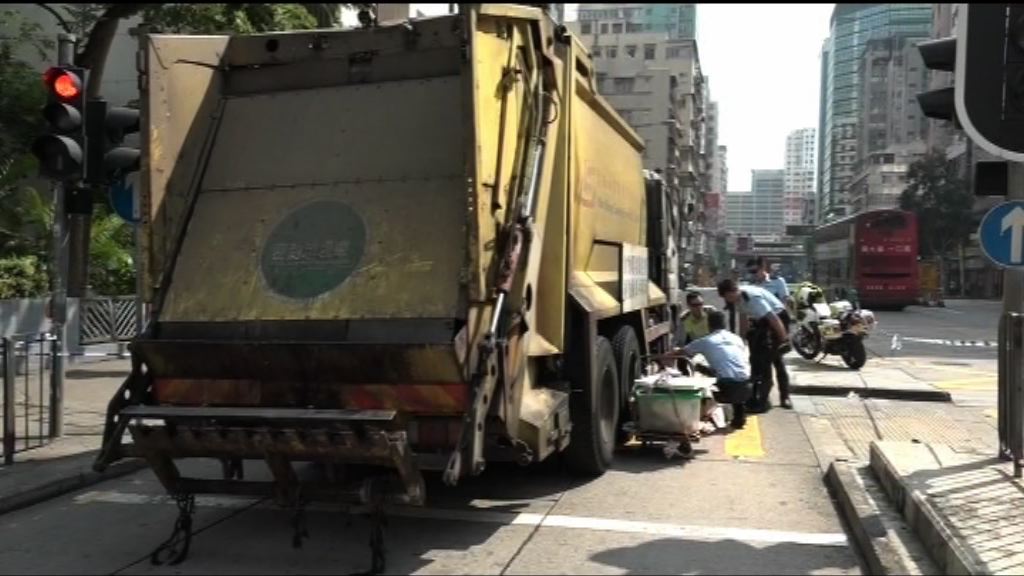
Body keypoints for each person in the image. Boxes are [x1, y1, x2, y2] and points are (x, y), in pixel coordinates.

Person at [667, 310, 752, 429]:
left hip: (726, 388)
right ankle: (739, 415)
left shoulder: (706, 341)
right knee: (727, 371)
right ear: (725, 324)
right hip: (747, 385)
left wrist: (662, 357)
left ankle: (698, 414)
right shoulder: (736, 338)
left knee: (699, 372)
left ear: (709, 325)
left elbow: (681, 353)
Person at [717, 278, 788, 413]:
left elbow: (773, 318)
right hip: (762, 323)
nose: (728, 300)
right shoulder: (737, 300)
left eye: (728, 297)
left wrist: (784, 340)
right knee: (755, 359)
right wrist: (742, 341)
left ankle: (777, 398)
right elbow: (744, 319)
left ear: (733, 291)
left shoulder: (753, 298)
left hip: (778, 320)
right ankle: (755, 398)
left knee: (773, 359)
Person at [747, 257, 794, 409]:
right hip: (758, 327)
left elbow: (784, 303)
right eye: (750, 272)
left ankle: (784, 396)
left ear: (763, 268)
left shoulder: (777, 281)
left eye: (755, 271)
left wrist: (783, 332)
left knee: (777, 360)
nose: (753, 274)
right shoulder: (751, 287)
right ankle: (759, 395)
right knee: (757, 362)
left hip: (776, 325)